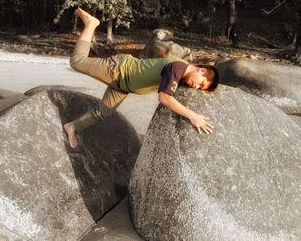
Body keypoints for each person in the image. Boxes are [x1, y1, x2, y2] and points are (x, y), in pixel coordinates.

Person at [63, 8, 219, 148]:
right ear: (202, 71)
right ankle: (91, 24)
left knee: (104, 112)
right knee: (77, 61)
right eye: (201, 83)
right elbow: (165, 98)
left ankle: (72, 127)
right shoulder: (178, 67)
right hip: (119, 70)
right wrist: (193, 116)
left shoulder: (182, 74)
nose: (197, 87)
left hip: (123, 86)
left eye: (200, 88)